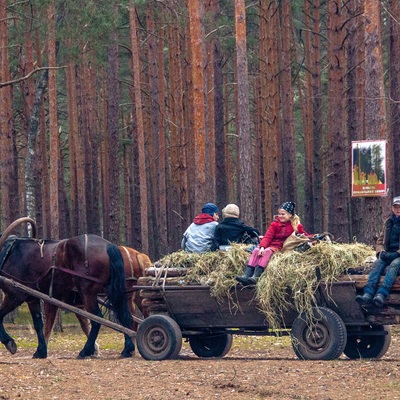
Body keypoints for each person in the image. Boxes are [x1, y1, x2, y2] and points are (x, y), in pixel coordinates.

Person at [236, 201, 309, 285]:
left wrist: (314, 237)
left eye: (283, 214)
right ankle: (246, 275)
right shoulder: (275, 224)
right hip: (270, 245)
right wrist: (262, 247)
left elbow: (304, 235)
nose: (280, 216)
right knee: (256, 250)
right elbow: (268, 236)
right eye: (279, 214)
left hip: (281, 247)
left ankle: (256, 276)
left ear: (290, 215)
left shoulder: (295, 225)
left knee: (267, 252)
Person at [356, 196, 400, 308]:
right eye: (396, 207)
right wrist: (380, 252)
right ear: (392, 209)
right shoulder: (388, 222)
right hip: (388, 252)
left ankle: (381, 293)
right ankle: (368, 293)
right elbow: (380, 240)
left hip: (398, 255)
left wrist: (397, 253)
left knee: (394, 265)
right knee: (377, 264)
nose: (398, 209)